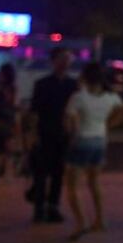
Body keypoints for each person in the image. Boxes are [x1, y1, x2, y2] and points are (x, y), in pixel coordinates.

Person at [63, 61, 123, 241]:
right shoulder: (111, 97)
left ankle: (81, 222)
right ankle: (100, 219)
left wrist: (73, 135)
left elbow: (70, 123)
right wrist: (108, 125)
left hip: (82, 141)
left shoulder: (78, 97)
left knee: (72, 185)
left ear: (84, 77)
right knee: (94, 182)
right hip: (100, 141)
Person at [27, 48, 79, 224]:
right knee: (41, 173)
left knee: (58, 172)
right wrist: (33, 135)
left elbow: (75, 114)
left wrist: (74, 134)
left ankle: (53, 207)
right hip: (44, 133)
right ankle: (39, 208)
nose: (65, 62)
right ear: (53, 61)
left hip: (63, 135)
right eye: (62, 58)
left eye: (68, 58)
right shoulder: (42, 84)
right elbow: (34, 112)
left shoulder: (73, 85)